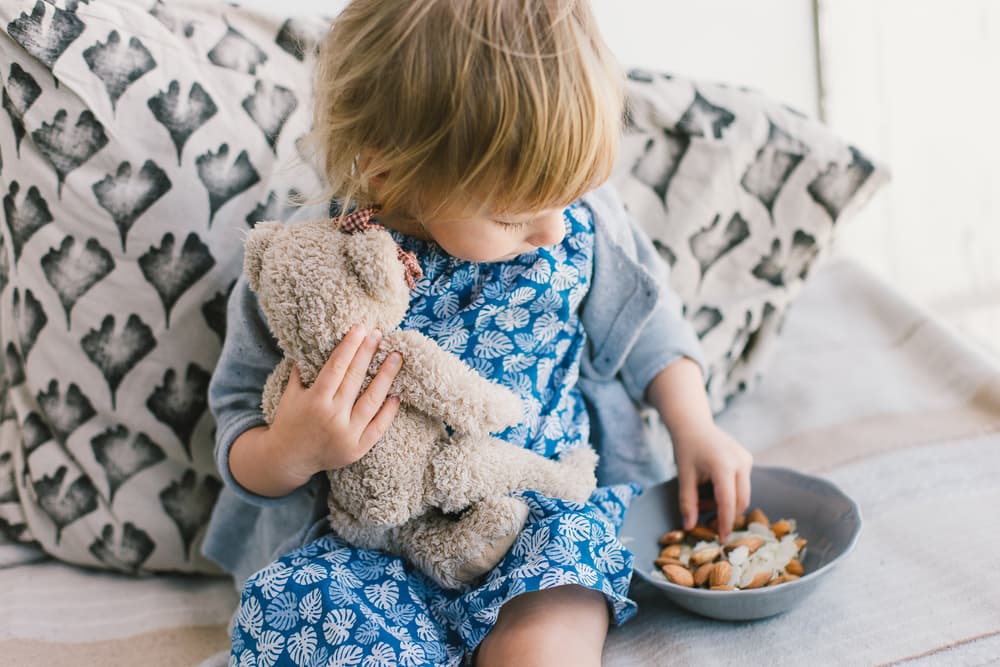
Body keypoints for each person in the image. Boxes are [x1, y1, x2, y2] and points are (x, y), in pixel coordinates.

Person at [202, 0, 754, 664]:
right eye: (514, 216)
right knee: (300, 611)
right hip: (366, 544)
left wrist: (693, 425)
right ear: (387, 171)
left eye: (568, 196)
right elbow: (237, 415)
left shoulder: (574, 215)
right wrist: (292, 450)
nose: (552, 229)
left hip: (540, 517)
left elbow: (648, 322)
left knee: (547, 638)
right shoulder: (307, 267)